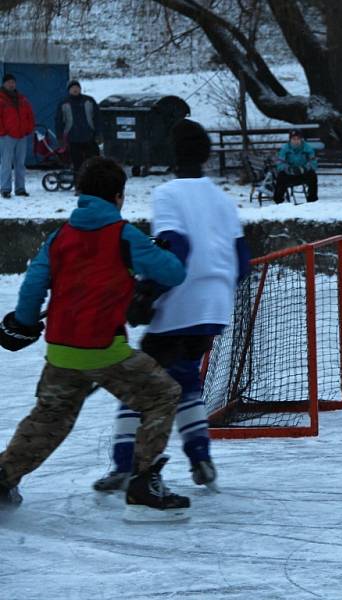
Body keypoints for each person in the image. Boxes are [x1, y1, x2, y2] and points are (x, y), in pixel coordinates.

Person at [0, 157, 191, 521]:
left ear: (80, 193)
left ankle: (3, 476)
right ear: (118, 196)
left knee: (50, 418)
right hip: (105, 349)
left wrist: (24, 322)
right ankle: (143, 482)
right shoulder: (124, 235)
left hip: (61, 350)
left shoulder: (60, 237)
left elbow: (34, 285)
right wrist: (158, 252)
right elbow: (173, 273)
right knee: (162, 395)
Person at [93, 119, 250, 494]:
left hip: (180, 303)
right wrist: (216, 290)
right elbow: (242, 262)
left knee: (139, 383)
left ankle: (124, 464)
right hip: (215, 308)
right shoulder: (222, 197)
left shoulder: (167, 194)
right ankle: (200, 457)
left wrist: (146, 293)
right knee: (186, 379)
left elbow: (176, 250)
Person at [55, 80, 101, 177]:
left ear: (80, 89)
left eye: (77, 87)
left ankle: (94, 185)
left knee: (94, 164)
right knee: (77, 165)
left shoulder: (89, 101)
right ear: (69, 90)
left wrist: (98, 133)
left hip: (90, 137)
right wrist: (60, 138)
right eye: (72, 88)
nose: (75, 90)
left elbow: (97, 118)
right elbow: (59, 121)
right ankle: (79, 186)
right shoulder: (64, 103)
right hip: (73, 139)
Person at [0, 73, 34, 198]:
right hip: (7, 136)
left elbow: (30, 115)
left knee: (20, 163)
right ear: (4, 83)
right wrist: (3, 132)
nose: (11, 84)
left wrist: (28, 129)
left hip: (21, 136)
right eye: (9, 82)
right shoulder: (1, 99)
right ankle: (5, 188)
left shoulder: (22, 99)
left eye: (13, 82)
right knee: (6, 163)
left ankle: (20, 188)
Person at [274, 129, 318, 204]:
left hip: (303, 173)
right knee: (281, 176)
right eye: (294, 139)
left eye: (298, 139)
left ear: (301, 139)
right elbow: (280, 163)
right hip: (290, 173)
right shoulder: (285, 148)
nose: (296, 141)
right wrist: (288, 169)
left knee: (313, 175)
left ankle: (312, 201)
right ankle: (278, 201)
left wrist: (305, 168)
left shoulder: (308, 148)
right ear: (290, 139)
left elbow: (313, 162)